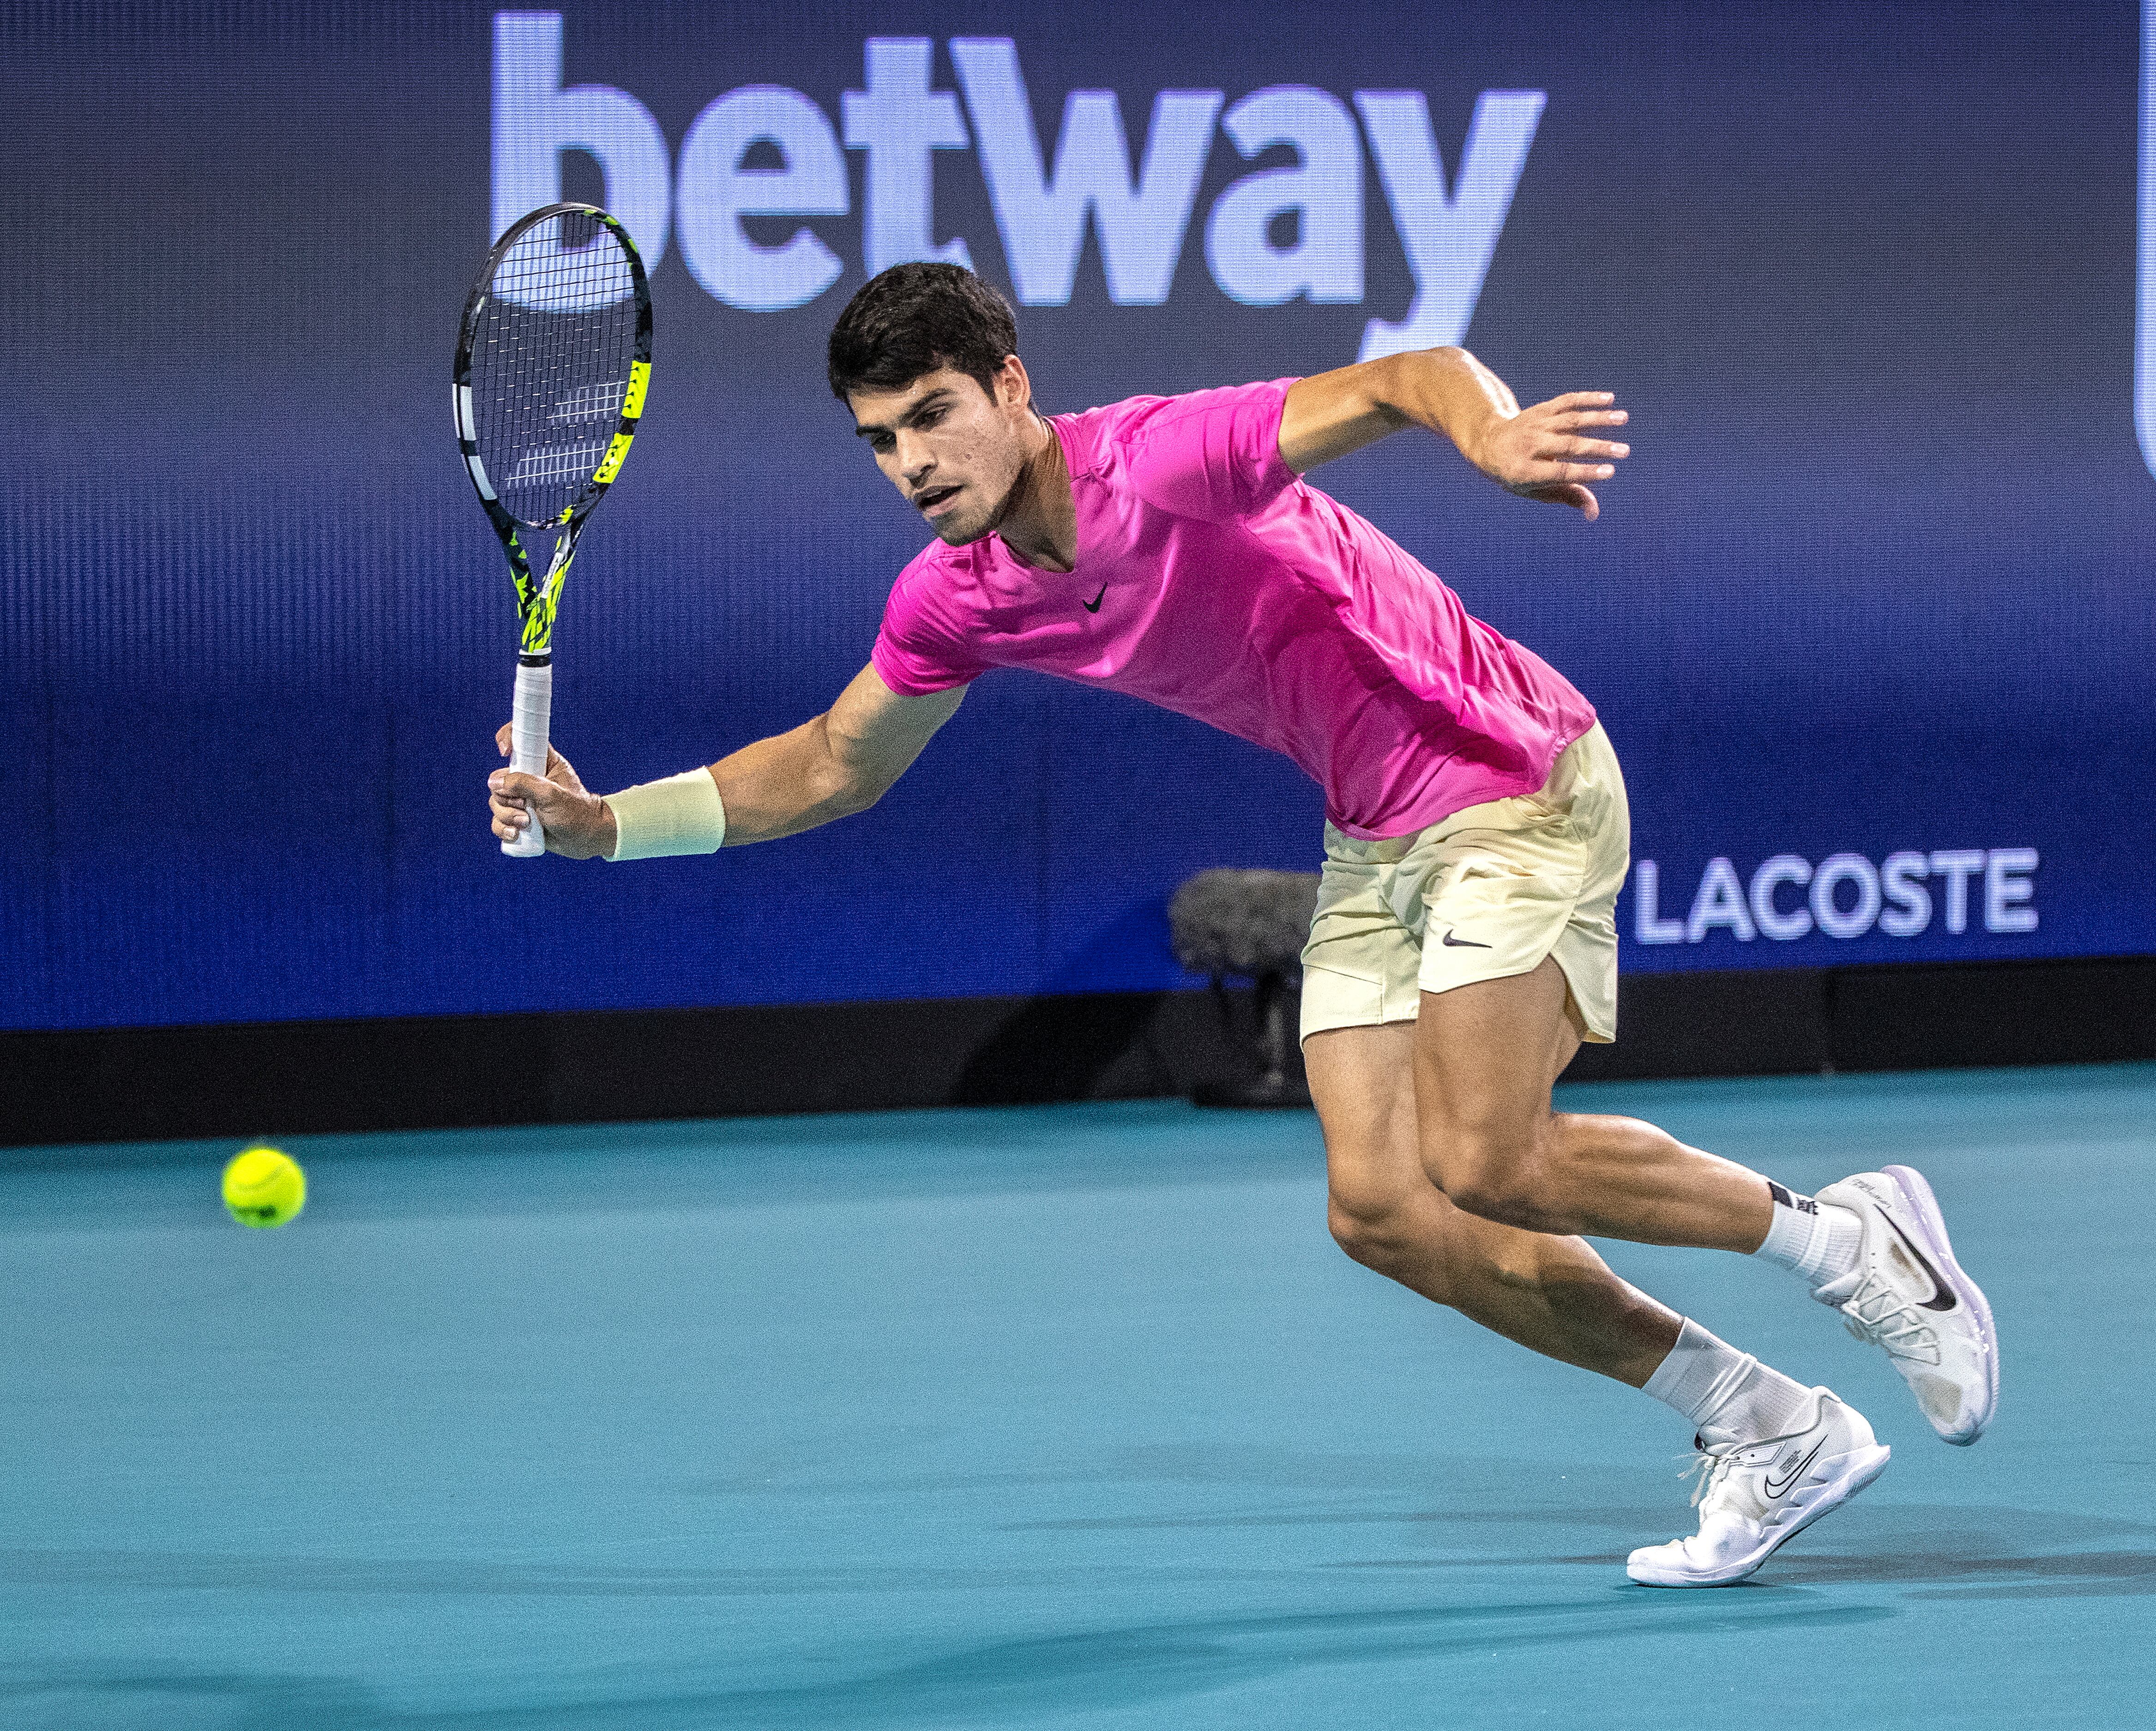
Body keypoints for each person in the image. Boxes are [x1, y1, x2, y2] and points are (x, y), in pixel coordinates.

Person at [486, 262, 1997, 1587]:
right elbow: (830, 763)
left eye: (935, 413)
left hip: (1510, 772)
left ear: (1011, 386)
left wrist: (1492, 437)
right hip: (1372, 829)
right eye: (880, 441)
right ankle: (1768, 1423)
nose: (912, 463)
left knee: (1488, 1154)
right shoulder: (960, 597)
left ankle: (1853, 1243)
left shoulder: (1162, 458)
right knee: (1385, 1212)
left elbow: (1406, 379)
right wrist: (608, 823)